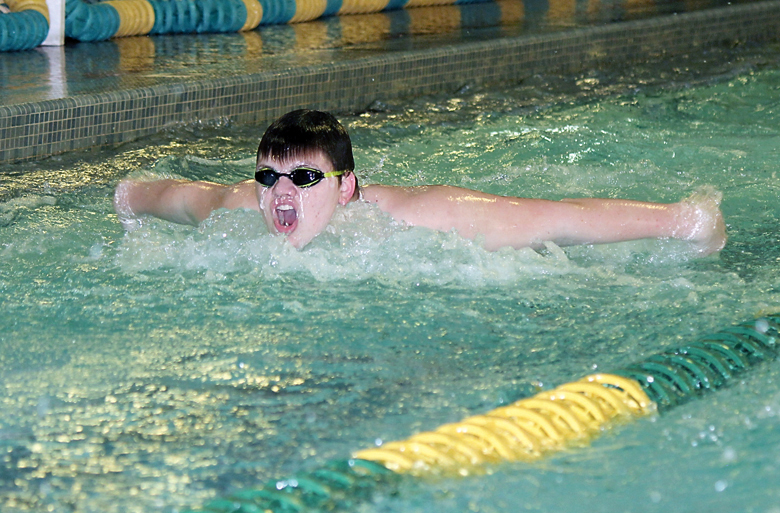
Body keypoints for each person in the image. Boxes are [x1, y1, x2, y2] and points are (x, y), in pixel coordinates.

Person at [114, 109, 727, 255]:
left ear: (346, 187)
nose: (282, 193)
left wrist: (684, 219)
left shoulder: (418, 218)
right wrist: (125, 197)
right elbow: (154, 192)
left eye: (304, 176)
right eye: (268, 178)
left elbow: (556, 215)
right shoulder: (235, 210)